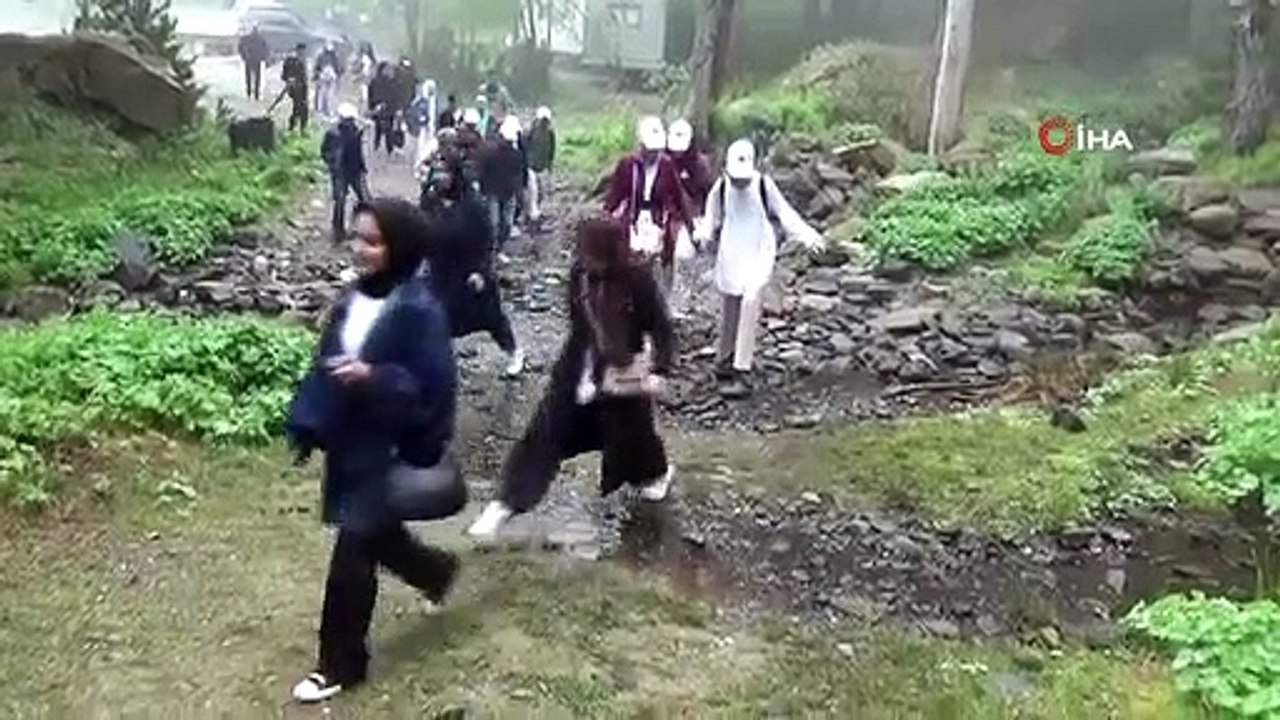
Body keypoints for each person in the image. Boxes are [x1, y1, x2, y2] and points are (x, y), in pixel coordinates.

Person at [284, 197, 460, 702]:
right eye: (357, 237)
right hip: (351, 444)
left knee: (353, 551)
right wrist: (309, 422)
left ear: (400, 247)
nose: (360, 249)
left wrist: (375, 379)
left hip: (390, 449)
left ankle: (339, 664)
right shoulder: (353, 300)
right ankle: (437, 573)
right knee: (379, 537)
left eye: (373, 241)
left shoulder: (419, 311)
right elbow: (326, 364)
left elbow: (433, 390)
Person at [467, 217, 676, 539]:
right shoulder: (579, 275)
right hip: (579, 366)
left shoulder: (638, 278)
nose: (588, 262)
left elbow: (661, 327)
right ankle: (506, 504)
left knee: (633, 439)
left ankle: (653, 476)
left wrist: (660, 369)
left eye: (595, 257)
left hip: (623, 374)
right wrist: (583, 370)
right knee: (545, 434)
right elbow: (580, 327)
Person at [697, 139, 824, 395]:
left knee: (751, 299)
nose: (739, 183)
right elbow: (711, 217)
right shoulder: (721, 187)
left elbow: (786, 215)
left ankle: (742, 367)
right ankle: (725, 358)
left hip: (759, 250)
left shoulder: (764, 185)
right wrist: (703, 234)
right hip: (732, 250)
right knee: (732, 303)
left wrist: (809, 236)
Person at [420, 163, 526, 377]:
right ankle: (437, 362)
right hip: (441, 270)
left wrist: (481, 270)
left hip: (470, 270)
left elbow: (486, 240)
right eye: (436, 174)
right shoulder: (431, 201)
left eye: (445, 174)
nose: (440, 179)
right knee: (437, 317)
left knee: (490, 317)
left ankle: (514, 352)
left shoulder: (473, 205)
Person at [603, 116, 692, 296]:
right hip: (633, 218)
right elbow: (615, 195)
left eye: (656, 150)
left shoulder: (666, 165)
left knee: (660, 261)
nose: (652, 154)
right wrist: (606, 216)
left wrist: (691, 227)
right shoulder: (628, 165)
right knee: (629, 258)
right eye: (649, 150)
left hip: (657, 220)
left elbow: (678, 196)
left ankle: (659, 300)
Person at [665, 118, 714, 319]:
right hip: (665, 215)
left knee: (683, 256)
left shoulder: (700, 166)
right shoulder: (662, 161)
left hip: (693, 217)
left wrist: (703, 225)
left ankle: (680, 304)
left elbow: (709, 196)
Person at [321, 103, 370, 243]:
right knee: (340, 200)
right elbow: (324, 151)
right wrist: (331, 163)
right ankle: (338, 230)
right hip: (340, 171)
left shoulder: (356, 131)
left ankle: (364, 227)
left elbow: (358, 151)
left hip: (354, 170)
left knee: (364, 199)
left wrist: (362, 167)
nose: (349, 122)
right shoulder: (332, 133)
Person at [479, 116, 528, 255]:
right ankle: (493, 249)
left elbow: (518, 174)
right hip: (493, 191)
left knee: (506, 223)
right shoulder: (490, 152)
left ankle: (498, 247)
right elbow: (483, 171)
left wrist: (519, 192)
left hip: (508, 192)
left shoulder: (516, 155)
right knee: (494, 223)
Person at [367, 62, 398, 156]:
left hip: (388, 108)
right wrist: (372, 106)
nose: (388, 71)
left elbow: (394, 96)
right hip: (379, 108)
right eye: (386, 69)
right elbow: (371, 95)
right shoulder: (375, 81)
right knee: (379, 129)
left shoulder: (391, 81)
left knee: (388, 129)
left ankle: (389, 148)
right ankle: (377, 145)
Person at [281, 43, 310, 132]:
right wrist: (290, 80)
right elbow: (284, 75)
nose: (302, 54)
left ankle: (299, 127)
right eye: (301, 52)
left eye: (304, 52)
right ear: (297, 51)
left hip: (303, 88)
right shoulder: (291, 61)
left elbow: (305, 77)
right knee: (300, 107)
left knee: (300, 108)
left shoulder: (304, 61)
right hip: (294, 89)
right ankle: (297, 127)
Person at [410, 80, 439, 166]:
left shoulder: (435, 101)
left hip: (432, 128)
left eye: (432, 89)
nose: (431, 90)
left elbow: (436, 114)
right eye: (429, 88)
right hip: (423, 128)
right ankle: (419, 163)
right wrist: (420, 119)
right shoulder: (420, 101)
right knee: (421, 145)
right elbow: (414, 112)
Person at [237, 24, 269, 101]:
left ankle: (253, 94)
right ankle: (252, 94)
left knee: (254, 79)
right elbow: (240, 46)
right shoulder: (256, 39)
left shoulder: (258, 39)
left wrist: (264, 58)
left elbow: (265, 49)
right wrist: (243, 56)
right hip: (252, 60)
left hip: (253, 60)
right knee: (253, 78)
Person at [313, 42, 344, 119]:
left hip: (331, 77)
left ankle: (328, 110)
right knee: (322, 94)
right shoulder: (321, 55)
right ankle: (321, 110)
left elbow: (338, 67)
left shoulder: (334, 56)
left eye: (330, 53)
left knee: (329, 94)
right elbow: (317, 66)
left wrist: (338, 73)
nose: (329, 55)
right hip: (324, 76)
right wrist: (316, 74)